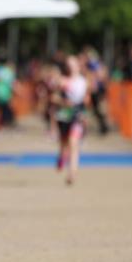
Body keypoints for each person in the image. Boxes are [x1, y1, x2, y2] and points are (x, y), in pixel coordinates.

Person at [52, 55, 89, 186]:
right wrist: (63, 101)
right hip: (64, 115)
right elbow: (54, 98)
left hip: (77, 115)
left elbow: (85, 100)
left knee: (74, 143)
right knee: (64, 143)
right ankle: (61, 157)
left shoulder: (83, 81)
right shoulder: (61, 80)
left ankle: (72, 174)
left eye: (74, 64)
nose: (71, 66)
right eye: (69, 64)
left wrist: (84, 114)